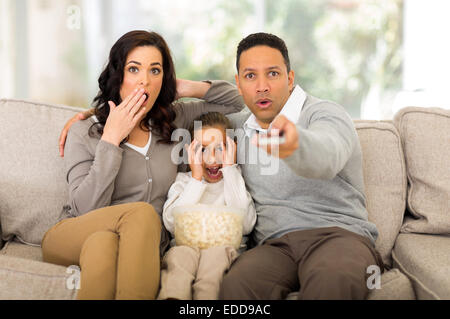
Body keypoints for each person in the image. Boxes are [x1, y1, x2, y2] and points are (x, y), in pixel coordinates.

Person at [42, 30, 245, 300]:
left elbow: (241, 101)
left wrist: (182, 86)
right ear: (118, 75)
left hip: (128, 243)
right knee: (142, 214)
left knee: (104, 245)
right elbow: (84, 210)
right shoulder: (86, 131)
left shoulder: (175, 121)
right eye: (134, 69)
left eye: (155, 70)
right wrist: (110, 141)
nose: (144, 81)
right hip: (71, 233)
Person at [219, 32, 384, 300]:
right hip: (274, 247)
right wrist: (194, 88)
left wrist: (295, 143)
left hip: (339, 237)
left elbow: (328, 153)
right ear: (238, 84)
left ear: (290, 78)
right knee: (235, 286)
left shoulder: (325, 113)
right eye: (250, 76)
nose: (262, 86)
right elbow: (193, 118)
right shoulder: (237, 126)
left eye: (272, 74)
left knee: (332, 283)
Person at [157, 112, 256, 300]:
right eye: (202, 149)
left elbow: (247, 224)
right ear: (190, 152)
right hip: (185, 248)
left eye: (220, 148)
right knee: (179, 258)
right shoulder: (185, 182)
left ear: (231, 150)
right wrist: (195, 179)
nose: (211, 158)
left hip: (224, 251)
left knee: (215, 260)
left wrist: (230, 170)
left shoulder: (235, 181)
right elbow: (171, 223)